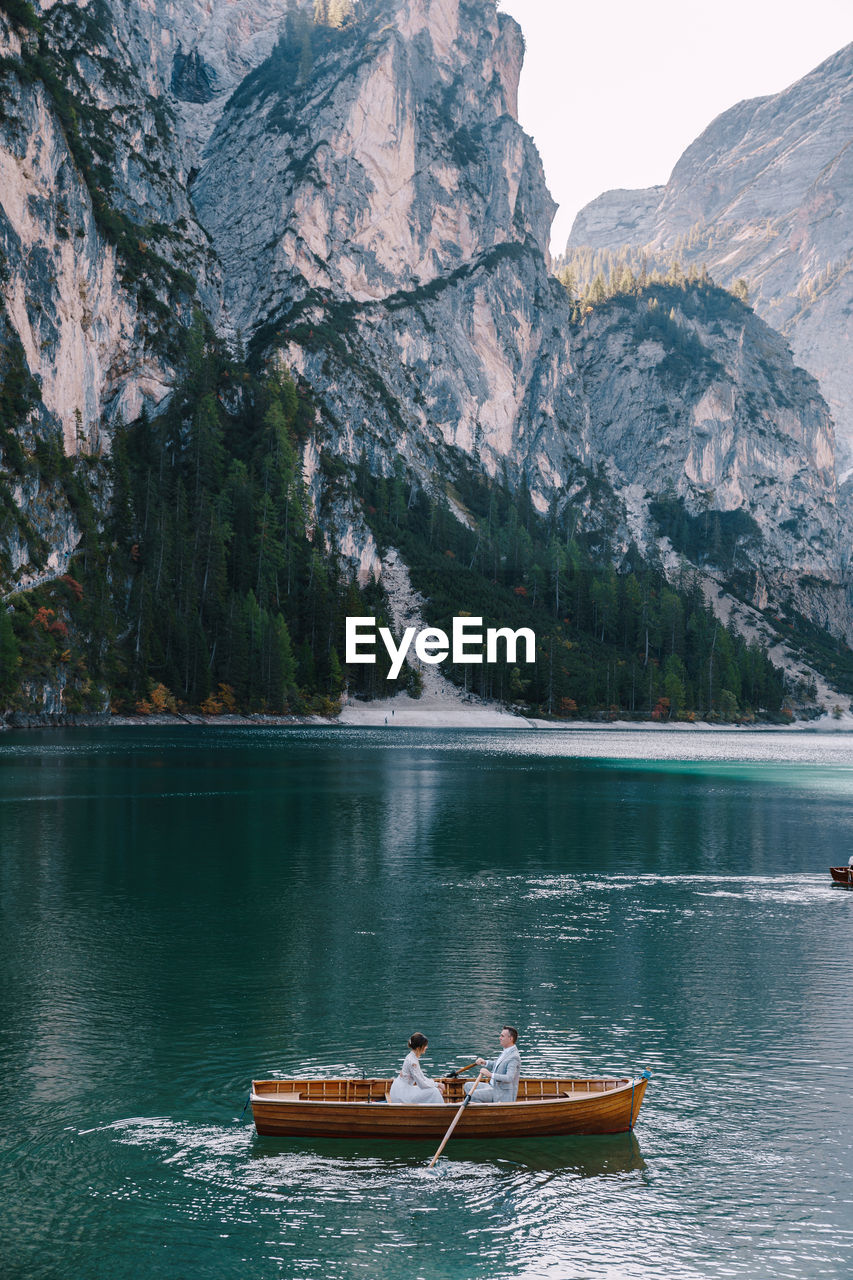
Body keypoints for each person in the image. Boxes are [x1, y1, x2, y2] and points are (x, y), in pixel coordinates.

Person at [464, 1026, 521, 1104]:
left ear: (510, 1039)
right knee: (467, 1086)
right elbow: (497, 1065)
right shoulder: (506, 1051)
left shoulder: (514, 1057)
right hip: (491, 1086)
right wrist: (485, 1062)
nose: (499, 1038)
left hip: (500, 1092)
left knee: (472, 1095)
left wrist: (490, 1075)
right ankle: (482, 1106)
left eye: (502, 1036)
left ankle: (485, 1112)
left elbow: (509, 1078)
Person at [388, 1033, 446, 1105]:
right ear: (419, 1048)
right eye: (425, 1046)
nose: (426, 1047)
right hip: (401, 1094)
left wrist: (436, 1084)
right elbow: (421, 1084)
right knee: (435, 1091)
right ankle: (440, 1111)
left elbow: (421, 1077)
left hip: (401, 1089)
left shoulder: (412, 1056)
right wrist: (437, 1085)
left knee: (434, 1089)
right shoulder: (413, 1062)